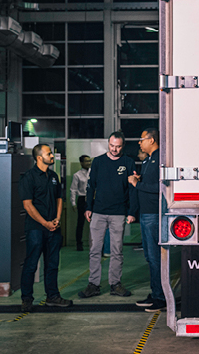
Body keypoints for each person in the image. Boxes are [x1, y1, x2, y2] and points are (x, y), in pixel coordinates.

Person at [78, 132, 136, 299]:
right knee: (95, 249)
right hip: (98, 212)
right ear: (108, 144)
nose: (114, 149)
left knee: (117, 251)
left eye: (118, 146)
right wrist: (89, 207)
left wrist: (132, 211)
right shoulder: (98, 162)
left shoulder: (128, 162)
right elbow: (91, 186)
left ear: (122, 146)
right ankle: (93, 284)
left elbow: (132, 189)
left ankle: (115, 284)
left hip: (118, 213)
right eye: (112, 146)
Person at [19, 144, 73, 312]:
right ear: (39, 158)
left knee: (52, 264)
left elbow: (59, 199)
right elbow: (28, 205)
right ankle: (27, 299)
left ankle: (53, 296)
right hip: (36, 228)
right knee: (31, 264)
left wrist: (56, 219)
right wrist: (45, 223)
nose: (52, 155)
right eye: (49, 153)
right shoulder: (28, 177)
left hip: (53, 228)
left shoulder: (53, 176)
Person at [127, 128, 167, 312]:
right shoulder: (148, 160)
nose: (139, 142)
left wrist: (138, 183)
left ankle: (160, 297)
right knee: (149, 257)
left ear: (151, 140)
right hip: (146, 213)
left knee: (154, 257)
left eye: (142, 139)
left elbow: (163, 187)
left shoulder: (160, 158)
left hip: (153, 213)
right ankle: (156, 292)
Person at [70, 155, 92, 251]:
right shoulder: (77, 175)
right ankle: (79, 243)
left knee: (95, 222)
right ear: (81, 163)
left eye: (89, 161)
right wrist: (73, 203)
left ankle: (94, 243)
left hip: (92, 199)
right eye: (86, 161)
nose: (88, 163)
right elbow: (73, 189)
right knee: (81, 222)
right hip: (82, 199)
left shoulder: (93, 172)